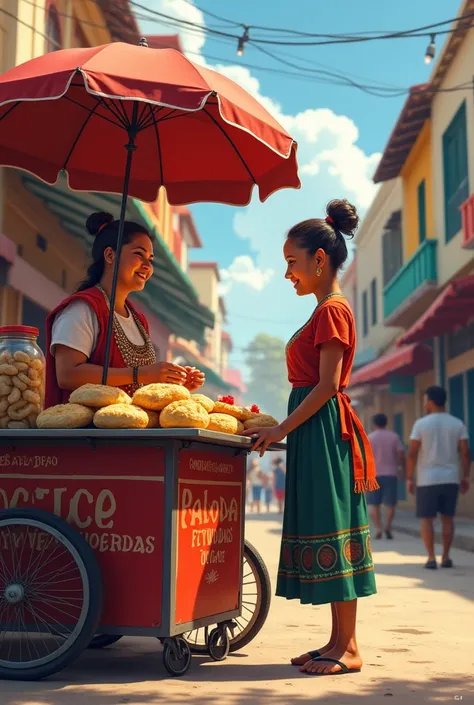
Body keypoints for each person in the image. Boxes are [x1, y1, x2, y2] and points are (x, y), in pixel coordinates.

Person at [243, 199, 377, 677]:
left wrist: (281, 428)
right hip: (314, 428)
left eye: (292, 264)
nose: (288, 275)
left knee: (335, 529)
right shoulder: (324, 310)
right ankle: (338, 642)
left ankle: (350, 648)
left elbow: (325, 386)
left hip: (323, 430)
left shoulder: (333, 311)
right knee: (327, 526)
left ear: (320, 260)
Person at [46, 211, 205, 405]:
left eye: (151, 259)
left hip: (132, 430)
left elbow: (138, 389)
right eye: (139, 254)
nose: (147, 265)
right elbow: (67, 375)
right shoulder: (83, 309)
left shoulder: (139, 320)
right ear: (110, 255)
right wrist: (140, 373)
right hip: (91, 432)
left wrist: (174, 382)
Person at [407, 385, 471, 570]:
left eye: (426, 400)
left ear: (431, 402)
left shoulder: (421, 424)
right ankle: (446, 556)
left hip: (427, 480)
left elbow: (412, 453)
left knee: (426, 519)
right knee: (448, 518)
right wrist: (465, 476)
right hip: (450, 478)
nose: (425, 404)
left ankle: (431, 558)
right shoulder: (457, 423)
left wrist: (410, 478)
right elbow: (465, 453)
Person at [367, 413, 405, 540]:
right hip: (390, 473)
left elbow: (364, 457)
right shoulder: (394, 437)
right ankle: (388, 526)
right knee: (390, 504)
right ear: (386, 423)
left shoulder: (370, 438)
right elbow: (400, 455)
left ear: (374, 424)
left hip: (373, 475)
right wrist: (401, 469)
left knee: (374, 504)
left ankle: (378, 528)